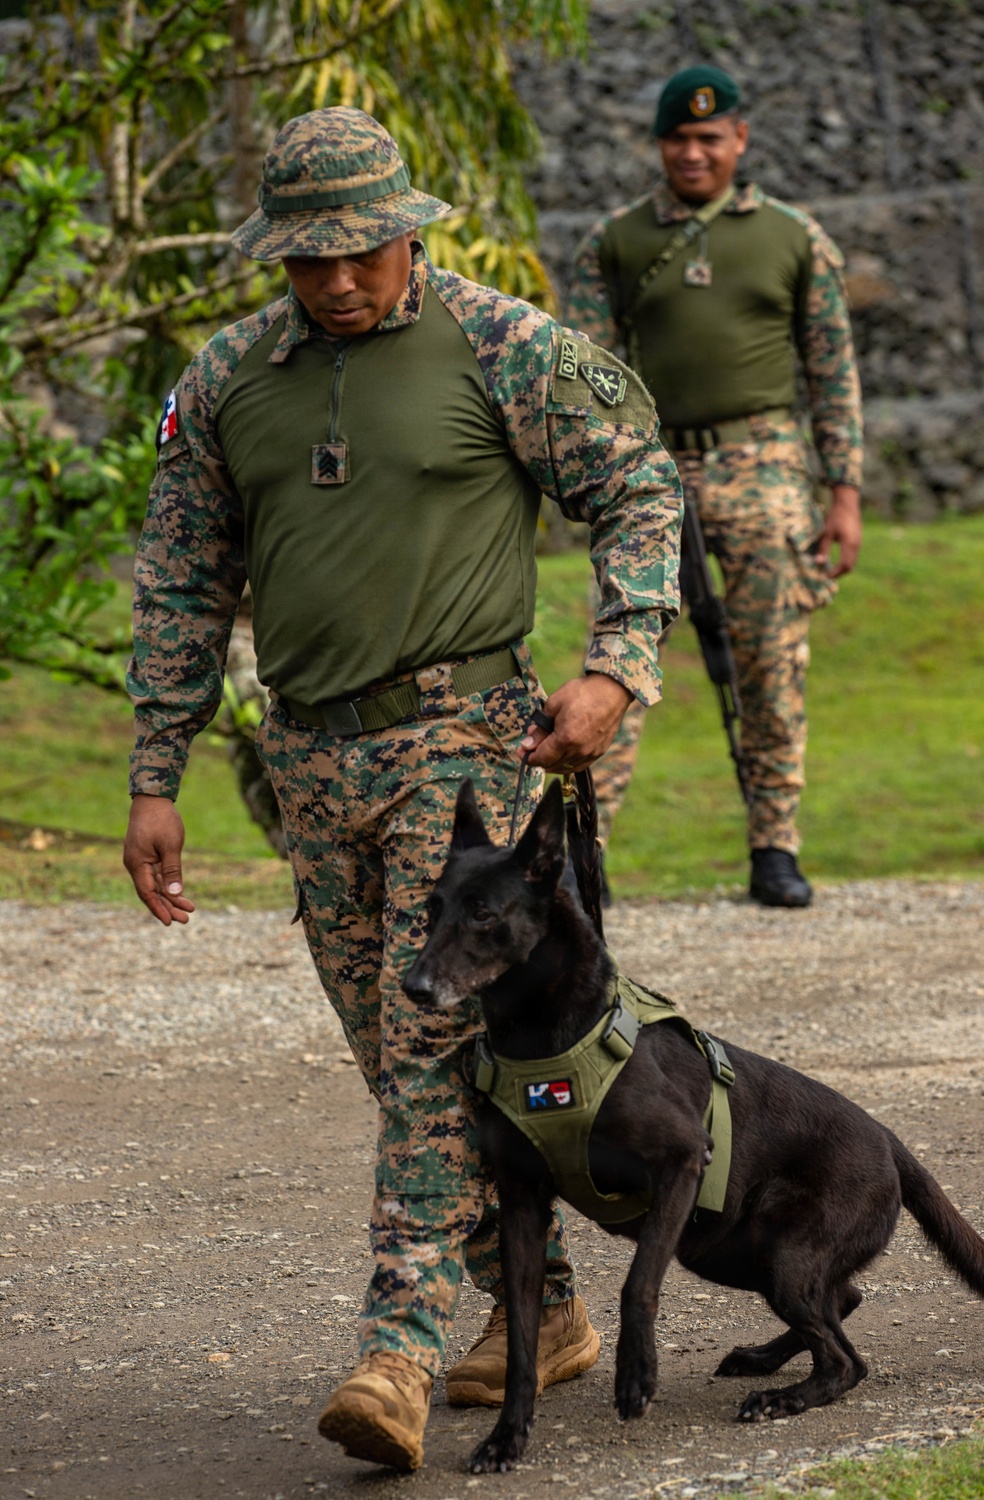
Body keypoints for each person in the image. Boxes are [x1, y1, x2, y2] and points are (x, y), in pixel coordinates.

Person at [122, 108, 682, 1472]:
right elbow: (185, 579)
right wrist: (156, 771)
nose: (339, 282)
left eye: (362, 253)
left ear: (408, 230)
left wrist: (617, 669)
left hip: (465, 753)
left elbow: (638, 488)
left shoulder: (506, 346)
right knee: (402, 1064)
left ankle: (399, 1352)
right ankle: (541, 1312)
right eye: (310, 260)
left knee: (430, 1049)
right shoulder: (229, 379)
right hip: (307, 765)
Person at [566, 64, 863, 908]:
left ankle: (776, 844)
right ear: (658, 145)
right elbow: (586, 370)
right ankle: (587, 855)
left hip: (764, 462)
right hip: (652, 470)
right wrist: (598, 470)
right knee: (619, 654)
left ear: (739, 139)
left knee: (772, 656)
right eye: (677, 139)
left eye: (709, 138)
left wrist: (842, 492)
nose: (692, 153)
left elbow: (831, 372)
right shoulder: (615, 242)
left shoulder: (794, 238)